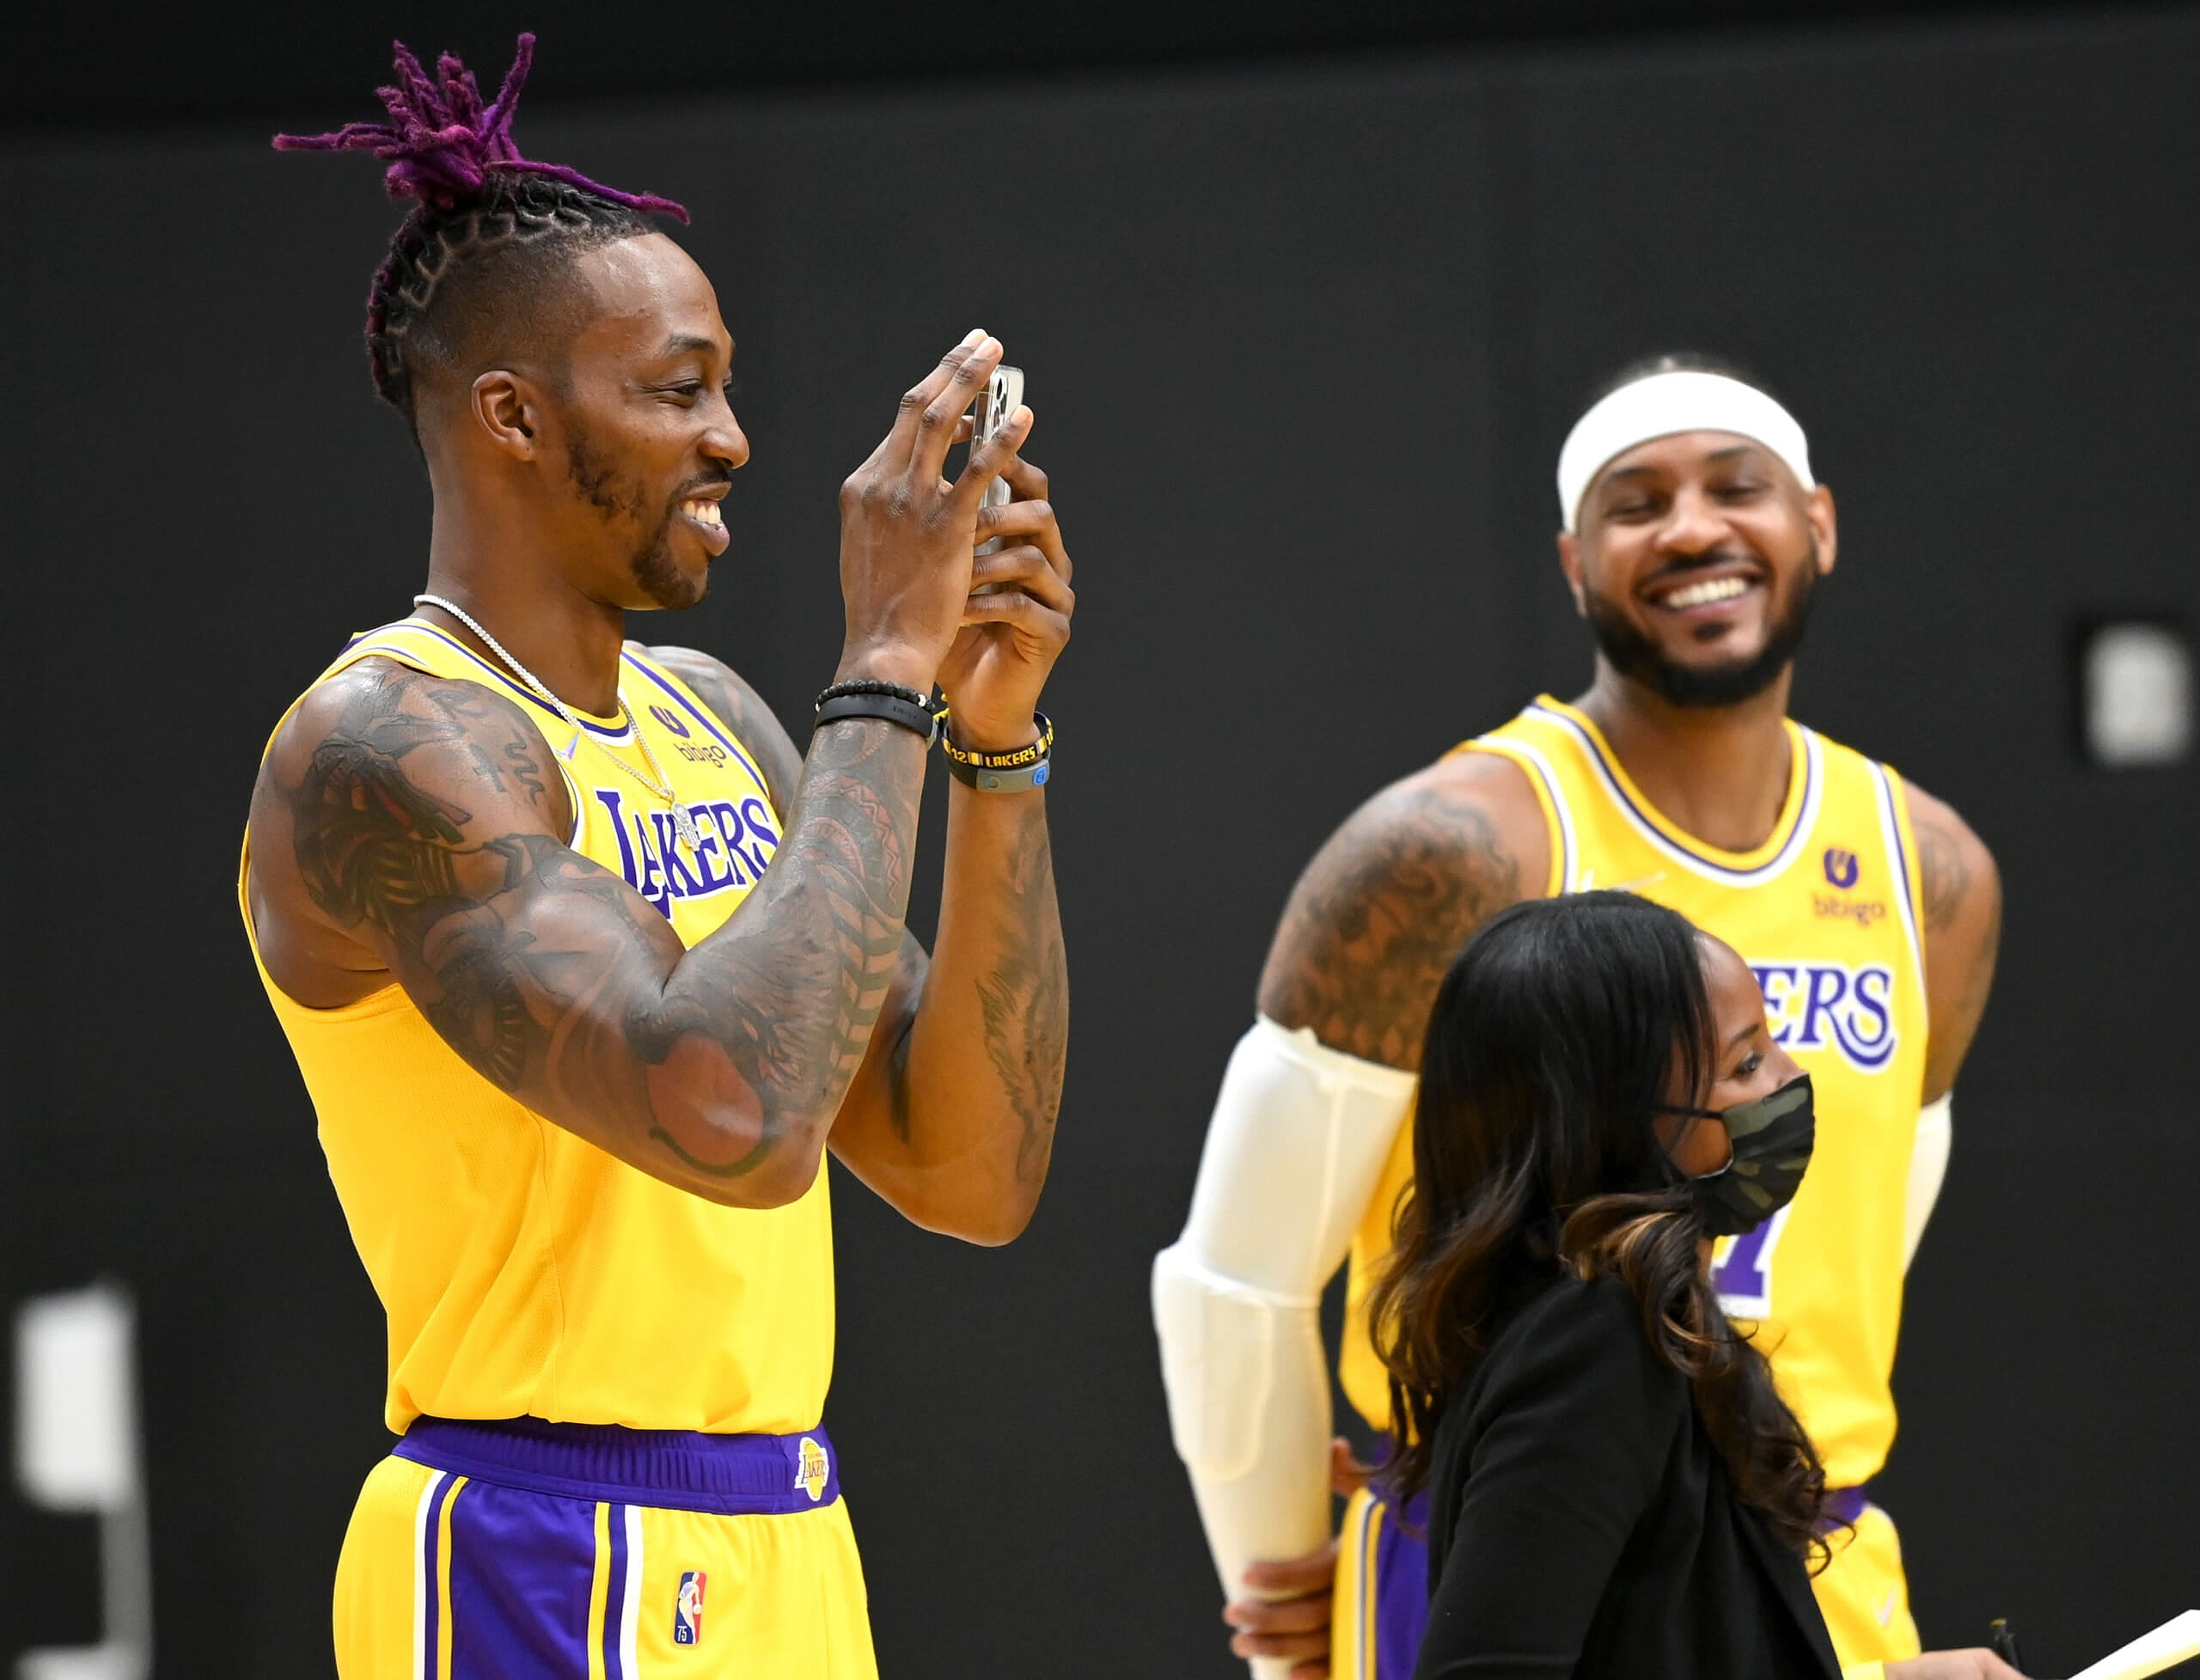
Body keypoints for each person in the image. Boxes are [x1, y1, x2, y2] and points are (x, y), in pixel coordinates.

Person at [242, 38, 1072, 1677]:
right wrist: (887, 670)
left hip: (786, 1532)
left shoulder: (718, 719)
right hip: (537, 1541)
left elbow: (967, 1171)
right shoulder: (384, 751)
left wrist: (989, 742)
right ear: (514, 419)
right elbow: (734, 1116)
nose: (737, 441)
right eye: (678, 389)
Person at [1153, 355, 2001, 1678]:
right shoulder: (1451, 845)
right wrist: (1278, 1591)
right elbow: (1236, 1277)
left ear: (1818, 521)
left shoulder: (1929, 869)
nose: (1694, 528)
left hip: (1800, 1546)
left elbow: (1869, 1234)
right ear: (1572, 557)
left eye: (1737, 486)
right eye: (1638, 499)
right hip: (1523, 1563)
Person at [1371, 892, 2020, 1680]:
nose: (1790, 1076)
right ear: (1610, 1123)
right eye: (1747, 1064)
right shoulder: (1597, 1344)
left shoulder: (1613, 1316)